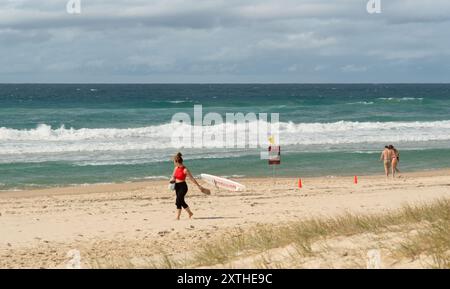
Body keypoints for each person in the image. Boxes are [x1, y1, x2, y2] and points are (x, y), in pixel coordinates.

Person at [170, 152, 210, 220]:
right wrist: (171, 180)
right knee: (180, 201)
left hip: (183, 187)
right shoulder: (176, 168)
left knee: (178, 200)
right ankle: (185, 215)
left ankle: (180, 216)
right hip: (177, 186)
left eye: (174, 161)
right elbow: (173, 176)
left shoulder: (185, 170)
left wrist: (198, 186)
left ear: (177, 161)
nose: (173, 163)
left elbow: (191, 178)